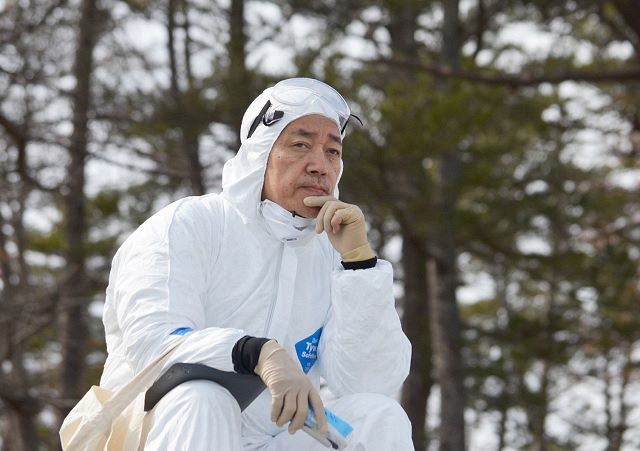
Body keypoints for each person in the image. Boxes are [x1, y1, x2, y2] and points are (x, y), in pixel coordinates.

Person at [99, 77, 414, 450]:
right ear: (260, 153)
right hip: (153, 432)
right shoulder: (190, 225)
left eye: (333, 152)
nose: (320, 165)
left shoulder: (327, 253)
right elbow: (153, 344)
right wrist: (256, 352)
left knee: (379, 416)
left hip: (268, 437)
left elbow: (370, 380)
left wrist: (359, 266)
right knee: (203, 396)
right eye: (300, 145)